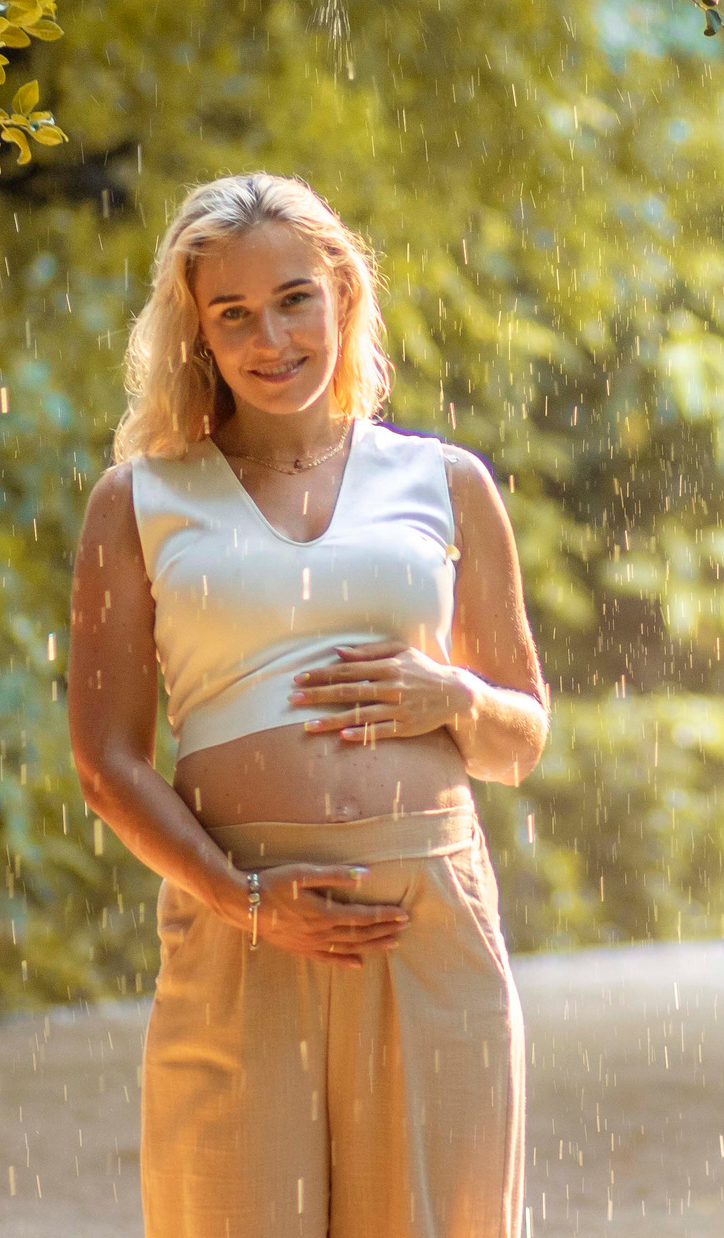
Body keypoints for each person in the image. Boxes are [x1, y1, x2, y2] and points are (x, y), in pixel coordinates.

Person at [69, 172, 549, 1238]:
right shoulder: (140, 499)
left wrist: (451, 694)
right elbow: (106, 764)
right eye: (230, 313)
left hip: (425, 928)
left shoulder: (446, 482)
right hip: (235, 929)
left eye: (294, 299)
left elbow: (522, 737)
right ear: (195, 333)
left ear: (342, 292)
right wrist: (244, 901)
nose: (270, 338)